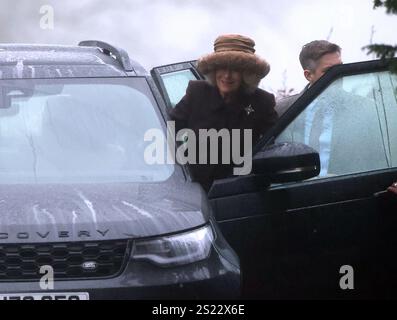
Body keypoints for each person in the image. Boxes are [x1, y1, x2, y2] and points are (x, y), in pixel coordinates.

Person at [168, 34, 278, 192]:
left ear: (247, 74)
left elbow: (273, 146)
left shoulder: (262, 102)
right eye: (222, 68)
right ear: (213, 70)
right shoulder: (197, 92)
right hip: (195, 190)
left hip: (240, 192)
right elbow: (170, 131)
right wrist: (181, 170)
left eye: (236, 70)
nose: (227, 75)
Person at [276, 40, 342, 116]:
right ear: (309, 75)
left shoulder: (356, 104)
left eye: (340, 67)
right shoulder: (282, 109)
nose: (339, 73)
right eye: (329, 70)